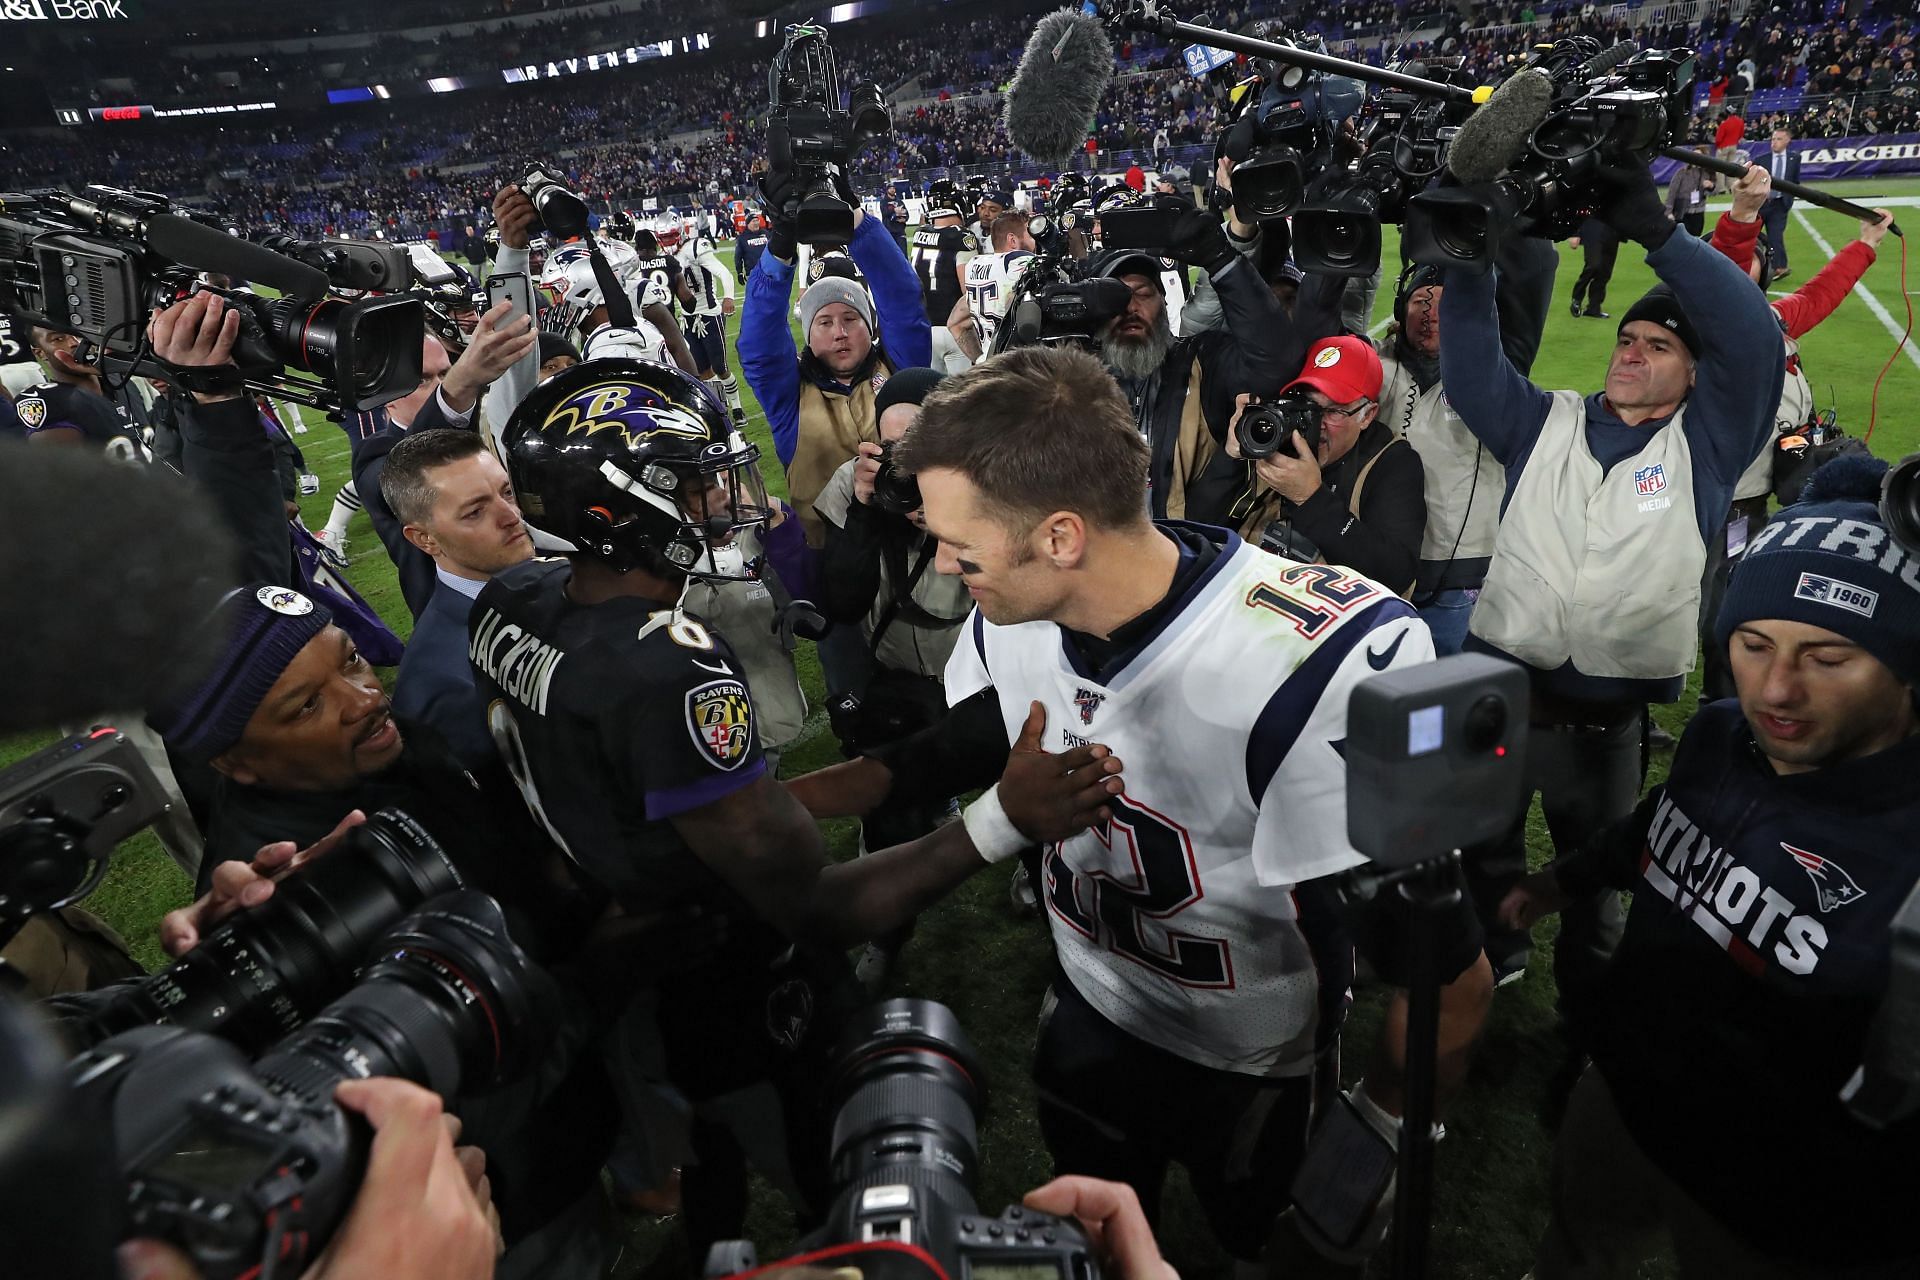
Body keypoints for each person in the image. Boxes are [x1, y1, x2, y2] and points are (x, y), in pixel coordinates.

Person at [793, 347, 1491, 1270]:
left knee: (1261, 1242)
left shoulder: (1341, 659)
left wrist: (1372, 1144)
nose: (946, 561)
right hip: (1090, 1004)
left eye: (962, 543)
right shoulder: (1019, 612)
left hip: (1254, 1064)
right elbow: (968, 743)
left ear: (1061, 537)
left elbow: (1454, 981)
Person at [470, 356, 1122, 1255]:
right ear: (613, 509)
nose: (728, 500)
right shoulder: (666, 662)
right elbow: (818, 905)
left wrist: (868, 779)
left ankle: (709, 1236)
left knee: (708, 1145)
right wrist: (1003, 820)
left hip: (630, 943)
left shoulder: (516, 598)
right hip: (724, 966)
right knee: (831, 1168)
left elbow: (667, 789)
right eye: (695, 486)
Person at [1499, 455, 1920, 1277]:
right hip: (1623, 1093)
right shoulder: (1722, 735)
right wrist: (1558, 884)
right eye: (1754, 644)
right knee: (1576, 1247)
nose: (1778, 689)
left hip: (1773, 1194)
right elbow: (1661, 826)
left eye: (1829, 658)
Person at [1437, 158, 1786, 999]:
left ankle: (1587, 1013)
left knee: (1597, 885)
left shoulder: (1705, 445)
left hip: (1605, 728)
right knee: (1483, 848)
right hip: (1503, 696)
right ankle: (1497, 966)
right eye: (1627, 339)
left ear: (1696, 374)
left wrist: (1661, 236)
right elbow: (1471, 359)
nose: (1632, 352)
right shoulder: (1541, 418)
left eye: (1658, 345)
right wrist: (1469, 256)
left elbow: (1751, 339)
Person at [1698, 163, 1897, 702]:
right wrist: (1741, 217)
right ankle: (1710, 701)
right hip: (1717, 497)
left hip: (1751, 496)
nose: (1756, 262)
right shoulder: (1713, 324)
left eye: (1761, 255)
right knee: (1707, 599)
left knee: (1732, 597)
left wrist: (1866, 244)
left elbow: (1824, 291)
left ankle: (1723, 697)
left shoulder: (1775, 319)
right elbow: (1724, 273)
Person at [813, 366, 973, 984]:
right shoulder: (858, 485)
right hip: (899, 670)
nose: (903, 464)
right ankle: (886, 937)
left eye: (919, 446)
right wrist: (863, 511)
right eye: (890, 445)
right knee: (891, 809)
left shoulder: (987, 481)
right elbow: (844, 604)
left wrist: (952, 517)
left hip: (978, 674)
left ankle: (1039, 878)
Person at [1092, 158, 1301, 526]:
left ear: (1164, 301)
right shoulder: (1076, 381)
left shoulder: (1199, 362)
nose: (1130, 307)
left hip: (1188, 562)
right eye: (1114, 296)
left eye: (1142, 293)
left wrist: (1220, 260)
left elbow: (1276, 361)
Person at [739, 169, 930, 550]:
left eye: (850, 319)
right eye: (824, 322)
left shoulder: (897, 369)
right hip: (826, 567)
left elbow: (903, 301)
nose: (839, 332)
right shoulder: (790, 399)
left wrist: (855, 220)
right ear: (807, 336)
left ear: (870, 325)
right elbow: (760, 348)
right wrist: (779, 246)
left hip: (912, 557)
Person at [348, 304, 537, 621]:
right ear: (383, 394)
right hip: (465, 628)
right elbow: (401, 477)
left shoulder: (473, 424)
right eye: (423, 380)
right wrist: (458, 385)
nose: (438, 386)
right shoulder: (374, 456)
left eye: (445, 373)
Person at [1221, 335, 1427, 594]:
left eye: (1334, 411)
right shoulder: (1273, 438)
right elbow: (1205, 529)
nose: (1316, 423)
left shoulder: (1393, 463)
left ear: (1367, 416)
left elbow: (1395, 575)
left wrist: (1311, 499)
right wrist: (1231, 458)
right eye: (1307, 405)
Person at [380, 430, 536, 769]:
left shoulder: (565, 574)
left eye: (507, 492)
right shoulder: (442, 682)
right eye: (475, 512)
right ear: (425, 539)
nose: (512, 516)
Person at [14, 321, 152, 462]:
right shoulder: (50, 400)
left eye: (78, 334)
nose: (74, 342)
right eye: (58, 339)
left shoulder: (122, 383)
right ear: (40, 353)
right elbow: (61, 475)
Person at [907, 181, 980, 375]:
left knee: (934, 397)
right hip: (954, 328)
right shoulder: (962, 237)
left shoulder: (920, 233)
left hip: (925, 329)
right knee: (963, 398)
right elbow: (969, 291)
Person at [948, 211, 1038, 362]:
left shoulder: (975, 265)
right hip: (1020, 368)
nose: (1036, 241)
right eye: (1030, 235)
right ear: (1012, 240)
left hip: (993, 367)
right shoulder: (1020, 263)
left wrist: (979, 361)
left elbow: (955, 323)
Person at [678, 232, 747, 425]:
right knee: (701, 370)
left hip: (709, 315)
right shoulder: (665, 257)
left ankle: (738, 408)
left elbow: (723, 272)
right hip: (687, 319)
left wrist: (729, 297)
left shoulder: (695, 248)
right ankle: (721, 412)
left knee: (720, 367)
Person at [1761, 127, 1801, 279]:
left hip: (1779, 204)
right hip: (1761, 203)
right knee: (1752, 234)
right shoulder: (1762, 159)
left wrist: (1788, 200)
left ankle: (1780, 267)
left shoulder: (1794, 159)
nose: (1774, 143)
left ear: (1787, 141)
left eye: (1778, 139)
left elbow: (1795, 181)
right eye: (1773, 139)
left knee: (1775, 236)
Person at [1568, 216, 1622, 319]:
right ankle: (1577, 298)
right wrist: (1574, 232)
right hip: (1592, 229)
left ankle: (1594, 308)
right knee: (1593, 265)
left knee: (1605, 272)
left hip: (1613, 231)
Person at [1664, 142, 1712, 237]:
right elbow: (1672, 193)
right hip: (1682, 213)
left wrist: (1711, 187)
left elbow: (1712, 193)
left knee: (1696, 240)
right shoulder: (1682, 173)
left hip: (1698, 213)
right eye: (1693, 155)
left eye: (1699, 156)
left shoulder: (1706, 174)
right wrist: (1668, 212)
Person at [1712, 106, 1745, 190]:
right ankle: (1731, 186)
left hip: (1723, 147)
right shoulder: (1740, 122)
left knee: (1720, 168)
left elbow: (1718, 139)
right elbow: (1741, 135)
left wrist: (1718, 146)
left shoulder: (1725, 123)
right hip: (1734, 146)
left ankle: (1721, 188)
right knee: (1731, 168)